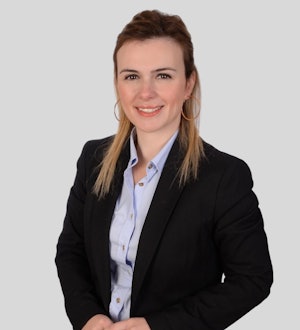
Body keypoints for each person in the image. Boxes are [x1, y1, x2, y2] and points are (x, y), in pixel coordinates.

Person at [55, 9, 273, 330]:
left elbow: (252, 279)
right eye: (132, 76)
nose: (146, 92)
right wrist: (88, 316)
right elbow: (70, 251)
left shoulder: (224, 177)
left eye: (163, 75)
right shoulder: (94, 158)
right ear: (117, 83)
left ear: (188, 84)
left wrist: (155, 326)